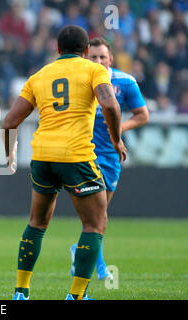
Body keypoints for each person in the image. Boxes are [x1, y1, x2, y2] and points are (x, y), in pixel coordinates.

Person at [2, 25, 127, 300]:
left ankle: (21, 292)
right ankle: (76, 296)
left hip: (43, 157)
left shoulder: (39, 75)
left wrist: (8, 154)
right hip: (76, 157)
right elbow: (110, 105)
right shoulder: (95, 70)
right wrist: (117, 140)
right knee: (95, 224)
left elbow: (9, 121)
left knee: (36, 223)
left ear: (57, 50)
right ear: (85, 51)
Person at [69, 37, 149, 280]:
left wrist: (119, 129)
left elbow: (143, 115)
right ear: (85, 58)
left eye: (102, 57)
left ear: (110, 59)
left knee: (100, 216)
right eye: (93, 57)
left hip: (111, 156)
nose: (98, 61)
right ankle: (100, 267)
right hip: (83, 154)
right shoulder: (77, 80)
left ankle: (78, 251)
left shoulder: (124, 82)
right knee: (96, 216)